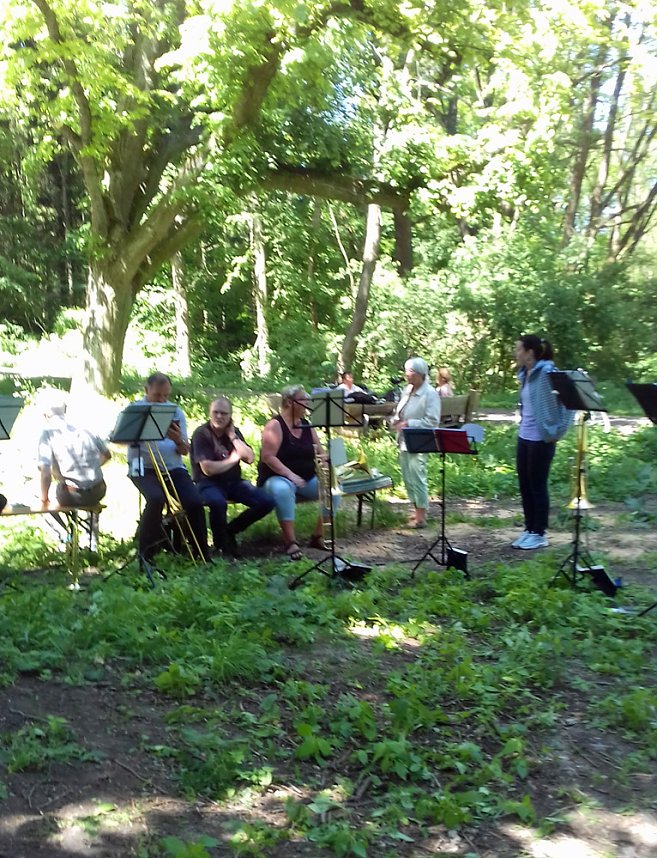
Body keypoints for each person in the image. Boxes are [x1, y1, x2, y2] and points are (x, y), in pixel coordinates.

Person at [129, 372, 210, 563]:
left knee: (194, 501)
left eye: (166, 395)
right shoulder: (134, 410)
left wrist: (178, 440)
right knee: (156, 499)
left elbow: (184, 450)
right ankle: (146, 556)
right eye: (158, 395)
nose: (162, 400)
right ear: (146, 390)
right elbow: (118, 441)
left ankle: (202, 554)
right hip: (143, 468)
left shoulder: (175, 411)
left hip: (173, 468)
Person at [191, 396, 275, 557]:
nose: (219, 416)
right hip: (207, 483)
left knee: (267, 502)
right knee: (217, 502)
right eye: (216, 412)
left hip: (234, 482)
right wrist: (233, 459)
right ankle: (221, 545)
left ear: (230, 416)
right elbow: (208, 469)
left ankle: (229, 531)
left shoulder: (234, 432)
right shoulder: (201, 434)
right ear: (209, 413)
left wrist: (233, 437)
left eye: (224, 413)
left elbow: (249, 458)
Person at [513, 334, 573, 550]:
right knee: (525, 485)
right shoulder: (525, 374)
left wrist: (557, 432)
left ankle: (540, 533)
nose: (515, 352)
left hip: (542, 438)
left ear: (530, 352)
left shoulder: (548, 372)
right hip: (525, 436)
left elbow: (569, 403)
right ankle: (529, 529)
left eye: (518, 349)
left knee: (537, 485)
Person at [257, 384, 327, 561]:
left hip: (305, 478)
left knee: (333, 489)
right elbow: (268, 457)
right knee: (283, 490)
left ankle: (317, 536)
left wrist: (329, 460)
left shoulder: (307, 425)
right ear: (289, 403)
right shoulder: (275, 425)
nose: (308, 403)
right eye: (303, 400)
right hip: (276, 477)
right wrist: (291, 475)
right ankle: (290, 541)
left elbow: (320, 452)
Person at [390, 357, 441, 529]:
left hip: (420, 440)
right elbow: (401, 411)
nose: (406, 375)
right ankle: (415, 508)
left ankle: (421, 517)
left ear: (420, 374)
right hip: (404, 440)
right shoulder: (407, 390)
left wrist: (408, 424)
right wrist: (395, 421)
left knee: (418, 475)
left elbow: (433, 421)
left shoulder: (430, 393)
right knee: (407, 476)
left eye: (410, 371)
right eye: (406, 371)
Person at [38, 391, 111, 509]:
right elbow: (107, 454)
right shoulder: (86, 427)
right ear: (65, 409)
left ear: (45, 414)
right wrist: (92, 466)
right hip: (99, 491)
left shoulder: (48, 433)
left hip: (71, 494)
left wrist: (44, 500)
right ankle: (91, 524)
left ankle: (59, 526)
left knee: (40, 495)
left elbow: (45, 474)